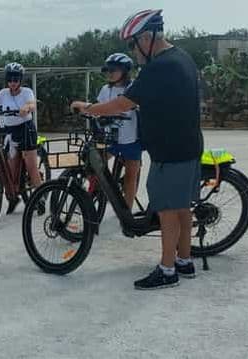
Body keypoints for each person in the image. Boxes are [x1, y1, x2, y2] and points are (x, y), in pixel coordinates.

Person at [71, 9, 204, 290]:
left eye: (133, 44)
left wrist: (90, 109)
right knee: (181, 207)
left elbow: (123, 103)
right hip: (188, 145)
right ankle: (184, 261)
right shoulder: (182, 57)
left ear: (147, 37)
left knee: (167, 210)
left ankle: (167, 271)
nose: (133, 51)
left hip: (170, 151)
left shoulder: (159, 66)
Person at [0, 62, 42, 214]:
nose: (13, 82)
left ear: (20, 80)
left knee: (31, 167)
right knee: (10, 168)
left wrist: (26, 108)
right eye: (10, 79)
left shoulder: (26, 92)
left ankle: (40, 196)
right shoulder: (3, 93)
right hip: (10, 132)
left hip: (26, 130)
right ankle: (13, 196)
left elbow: (32, 103)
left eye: (16, 79)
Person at [94, 52, 142, 210]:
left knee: (131, 176)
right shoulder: (104, 90)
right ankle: (98, 190)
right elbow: (98, 108)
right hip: (109, 139)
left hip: (130, 140)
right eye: (108, 70)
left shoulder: (133, 88)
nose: (110, 73)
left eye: (113, 70)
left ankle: (126, 211)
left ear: (125, 71)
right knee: (93, 164)